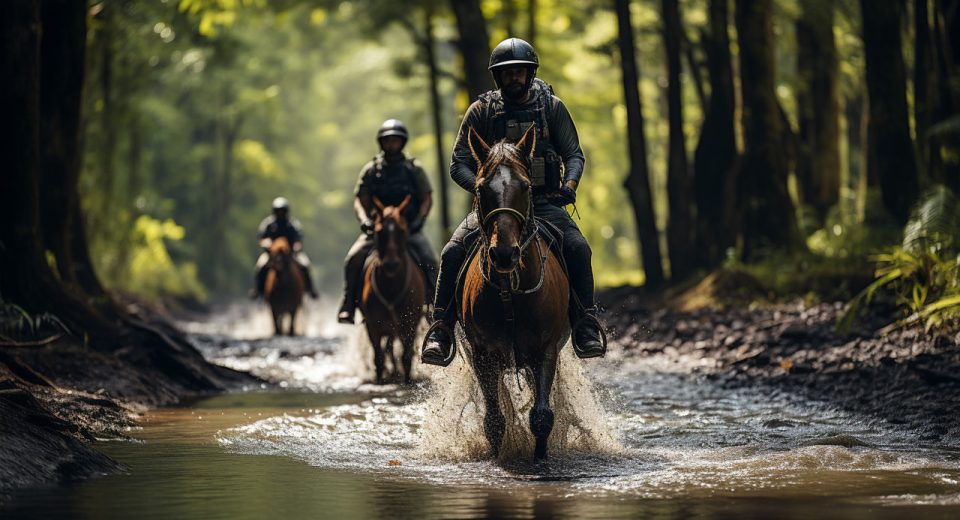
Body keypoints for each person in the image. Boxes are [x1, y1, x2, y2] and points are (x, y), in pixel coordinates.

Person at [421, 37, 606, 366]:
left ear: (530, 73)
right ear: (498, 78)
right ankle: (441, 328)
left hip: (544, 202)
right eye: (508, 74)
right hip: (494, 208)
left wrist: (569, 184)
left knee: (578, 247)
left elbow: (573, 154)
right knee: (452, 252)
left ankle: (585, 324)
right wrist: (481, 189)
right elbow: (458, 163)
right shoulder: (481, 111)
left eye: (520, 72)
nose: (514, 78)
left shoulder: (552, 107)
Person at [337, 119, 439, 324]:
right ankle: (349, 304)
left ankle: (436, 308)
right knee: (354, 258)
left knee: (429, 260)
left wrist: (419, 220)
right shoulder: (371, 170)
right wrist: (365, 220)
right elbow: (360, 199)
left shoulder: (413, 168)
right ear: (381, 143)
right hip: (378, 229)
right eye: (388, 141)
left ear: (402, 142)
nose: (392, 145)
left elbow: (426, 197)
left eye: (396, 140)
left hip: (408, 228)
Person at [252, 197, 318, 299]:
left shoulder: (292, 224)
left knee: (305, 264)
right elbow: (261, 237)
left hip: (291, 254)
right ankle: (257, 290)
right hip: (271, 255)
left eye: (282, 211)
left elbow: (298, 238)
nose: (280, 213)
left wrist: (296, 246)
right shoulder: (269, 224)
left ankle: (310, 289)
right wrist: (267, 244)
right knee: (260, 266)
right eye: (278, 211)